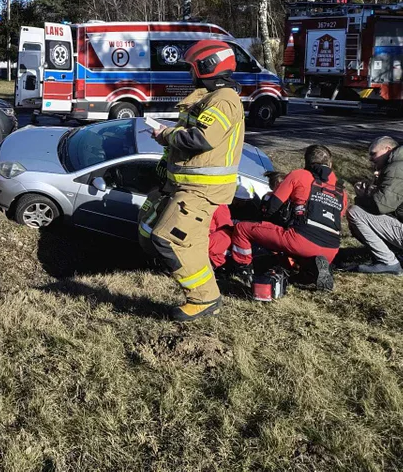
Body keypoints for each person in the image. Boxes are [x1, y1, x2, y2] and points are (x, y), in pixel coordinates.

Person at [139, 39, 244, 322]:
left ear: (207, 66)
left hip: (202, 191)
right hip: (189, 187)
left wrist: (165, 135)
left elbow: (202, 138)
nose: (190, 73)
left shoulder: (223, 99)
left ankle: (203, 298)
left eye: (191, 67)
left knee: (168, 240)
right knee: (188, 244)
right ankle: (205, 296)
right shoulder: (211, 97)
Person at [228, 144, 347, 291]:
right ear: (330, 164)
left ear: (306, 163)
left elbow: (272, 206)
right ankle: (310, 269)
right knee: (299, 248)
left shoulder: (299, 175)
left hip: (300, 240)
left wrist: (264, 217)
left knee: (242, 229)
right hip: (332, 249)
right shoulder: (342, 192)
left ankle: (243, 271)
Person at [347, 136, 403, 274]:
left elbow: (382, 206)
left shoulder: (397, 168)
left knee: (355, 212)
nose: (371, 159)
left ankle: (389, 262)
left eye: (373, 154)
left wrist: (362, 196)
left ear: (387, 149)